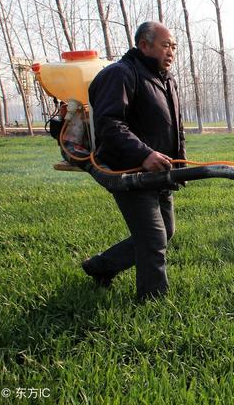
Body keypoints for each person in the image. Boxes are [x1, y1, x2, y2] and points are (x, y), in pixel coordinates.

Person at [82, 21, 186, 301]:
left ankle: (101, 266)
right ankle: (153, 303)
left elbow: (176, 128)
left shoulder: (166, 80)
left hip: (160, 172)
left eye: (174, 46)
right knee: (153, 238)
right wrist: (144, 154)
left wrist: (180, 166)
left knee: (166, 232)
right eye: (166, 45)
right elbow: (109, 124)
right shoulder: (120, 74)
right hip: (128, 171)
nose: (171, 51)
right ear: (144, 45)